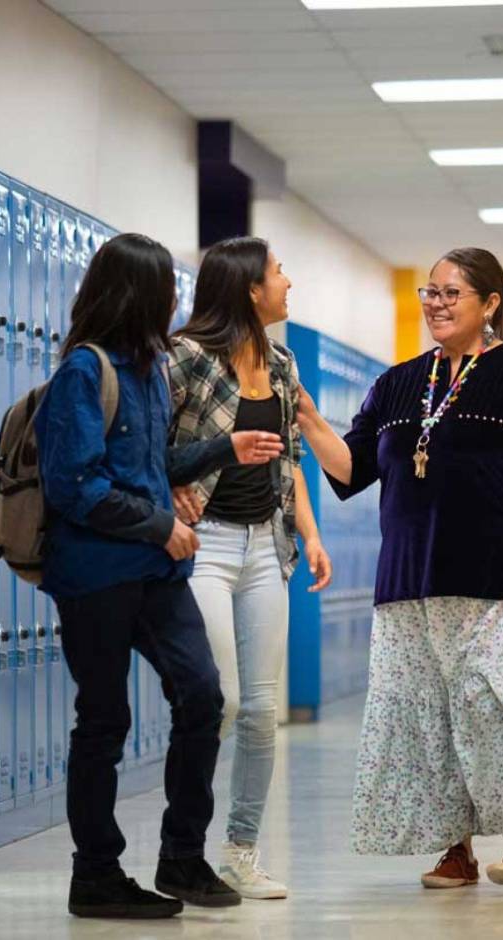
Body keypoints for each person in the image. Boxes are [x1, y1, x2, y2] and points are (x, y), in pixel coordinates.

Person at [294, 247, 503, 890]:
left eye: (452, 293)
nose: (436, 303)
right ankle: (454, 849)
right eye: (430, 292)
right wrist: (311, 419)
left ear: (490, 304)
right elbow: (352, 468)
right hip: (409, 579)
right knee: (426, 713)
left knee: (499, 703)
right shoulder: (399, 382)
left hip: (497, 571)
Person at [36, 233, 287, 919]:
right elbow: (75, 487)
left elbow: (153, 472)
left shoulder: (147, 370)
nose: (177, 299)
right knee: (104, 720)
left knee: (203, 697)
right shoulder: (84, 374)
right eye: (167, 288)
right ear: (137, 293)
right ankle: (96, 875)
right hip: (96, 576)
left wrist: (221, 449)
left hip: (156, 570)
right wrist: (159, 525)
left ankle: (182, 857)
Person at [166, 237, 333, 900]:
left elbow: (290, 458)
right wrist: (166, 500)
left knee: (263, 711)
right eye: (278, 272)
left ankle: (239, 851)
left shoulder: (283, 364)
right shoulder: (186, 359)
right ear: (248, 289)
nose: (287, 282)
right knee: (221, 700)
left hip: (267, 542)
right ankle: (183, 848)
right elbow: (148, 442)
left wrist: (311, 536)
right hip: (204, 542)